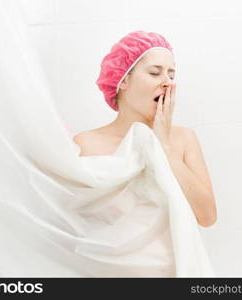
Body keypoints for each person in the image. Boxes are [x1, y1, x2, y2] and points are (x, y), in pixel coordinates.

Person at [73, 30, 217, 227]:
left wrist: (164, 146)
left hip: (170, 258)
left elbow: (207, 217)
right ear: (123, 80)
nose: (167, 82)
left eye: (171, 74)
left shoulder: (183, 139)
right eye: (155, 73)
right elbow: (76, 223)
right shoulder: (86, 144)